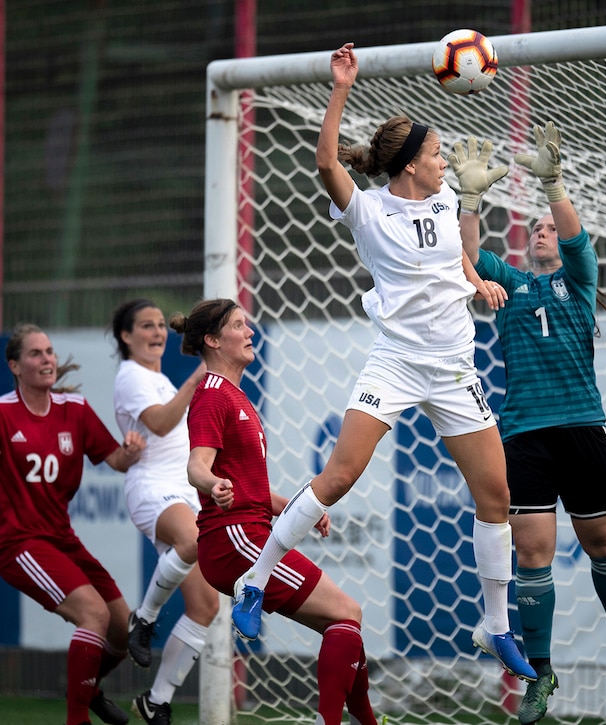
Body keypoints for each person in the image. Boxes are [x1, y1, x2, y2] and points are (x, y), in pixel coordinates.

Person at [229, 41, 537, 684]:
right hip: (396, 362)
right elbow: (324, 160)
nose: (443, 160)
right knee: (339, 476)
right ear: (407, 166)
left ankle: (496, 624)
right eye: (433, 154)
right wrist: (342, 85)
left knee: (496, 496)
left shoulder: (447, 199)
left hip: (454, 366)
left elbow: (458, 255)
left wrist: (477, 281)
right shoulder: (367, 211)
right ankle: (254, 584)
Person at [453, 122, 606, 723]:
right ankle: (540, 676)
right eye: (538, 229)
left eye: (551, 226)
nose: (545, 232)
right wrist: (470, 202)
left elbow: (575, 240)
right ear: (525, 246)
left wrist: (553, 187)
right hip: (524, 436)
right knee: (534, 554)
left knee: (604, 545)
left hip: (582, 431)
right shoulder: (509, 283)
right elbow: (466, 257)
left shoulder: (579, 281)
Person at [172, 298, 379, 725]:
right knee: (347, 613)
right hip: (235, 540)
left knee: (342, 628)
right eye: (237, 326)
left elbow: (250, 488)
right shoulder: (212, 395)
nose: (249, 332)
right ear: (213, 340)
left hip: (246, 534)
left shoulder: (235, 396)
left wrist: (298, 507)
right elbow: (196, 467)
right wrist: (213, 484)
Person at [0, 323, 145, 725]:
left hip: (61, 538)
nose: (47, 359)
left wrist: (132, 451)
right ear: (15, 366)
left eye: (50, 351)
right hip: (20, 543)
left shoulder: (76, 410)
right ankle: (76, 718)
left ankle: (84, 690)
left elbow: (116, 461)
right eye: (35, 354)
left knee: (122, 629)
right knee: (94, 615)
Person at [110, 298, 221, 725]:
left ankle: (155, 701)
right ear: (126, 336)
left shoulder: (158, 379)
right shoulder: (131, 375)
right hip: (152, 488)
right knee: (192, 539)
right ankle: (145, 616)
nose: (157, 333)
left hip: (182, 491)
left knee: (206, 606)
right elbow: (158, 424)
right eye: (145, 326)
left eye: (160, 325)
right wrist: (199, 377)